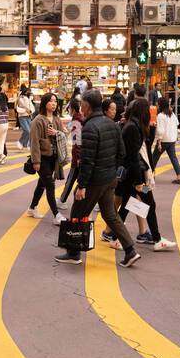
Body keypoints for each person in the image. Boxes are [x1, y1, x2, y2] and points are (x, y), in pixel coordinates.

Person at [54, 89, 140, 268]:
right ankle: (130, 250)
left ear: (86, 105)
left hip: (94, 180)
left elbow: (87, 161)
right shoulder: (112, 124)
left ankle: (73, 252)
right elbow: (121, 153)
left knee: (77, 213)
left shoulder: (90, 128)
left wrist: (82, 186)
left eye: (82, 104)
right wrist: (112, 169)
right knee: (110, 215)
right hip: (110, 179)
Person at [116, 97, 175, 251]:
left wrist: (152, 129)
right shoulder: (132, 128)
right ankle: (156, 239)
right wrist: (138, 182)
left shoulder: (134, 126)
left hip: (134, 175)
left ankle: (116, 237)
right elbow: (134, 157)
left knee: (128, 205)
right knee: (148, 203)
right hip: (137, 176)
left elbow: (145, 147)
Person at [27, 92, 65, 220]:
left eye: (55, 101)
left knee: (42, 184)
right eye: (51, 101)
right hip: (42, 159)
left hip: (53, 158)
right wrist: (36, 161)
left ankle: (32, 208)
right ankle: (56, 215)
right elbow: (34, 142)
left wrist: (57, 133)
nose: (54, 104)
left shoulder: (56, 119)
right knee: (50, 184)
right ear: (44, 103)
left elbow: (65, 135)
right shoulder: (38, 120)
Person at [152, 95, 180, 180]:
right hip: (171, 139)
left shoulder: (160, 116)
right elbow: (176, 124)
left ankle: (150, 175)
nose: (157, 105)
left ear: (160, 105)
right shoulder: (171, 114)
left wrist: (159, 142)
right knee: (173, 157)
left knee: (154, 158)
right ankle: (179, 176)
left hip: (164, 140)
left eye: (158, 104)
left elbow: (160, 130)